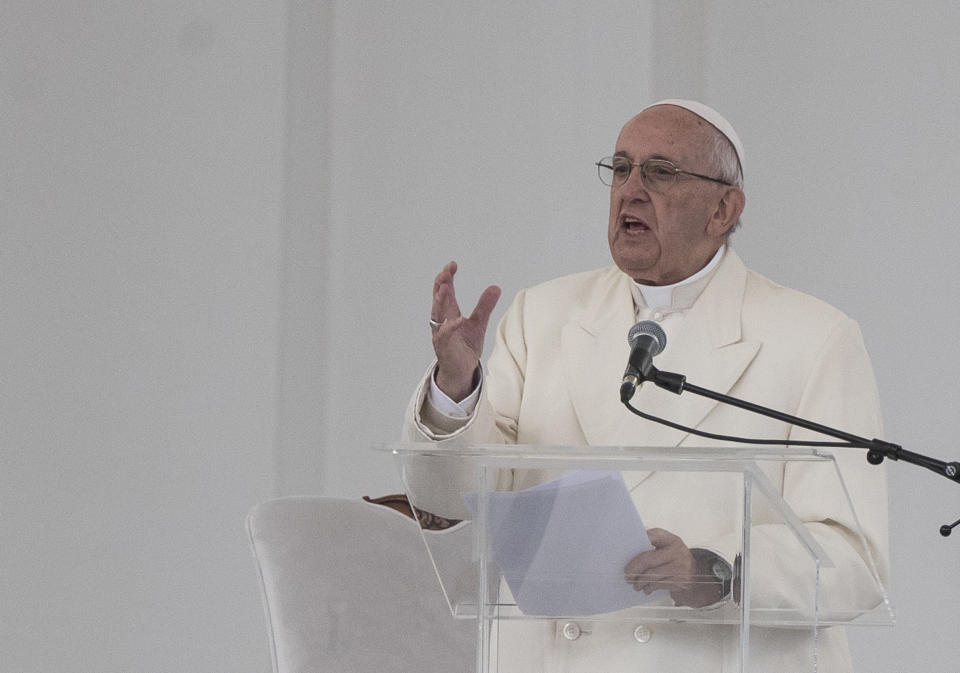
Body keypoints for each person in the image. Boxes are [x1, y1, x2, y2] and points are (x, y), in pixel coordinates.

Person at [401, 100, 889, 672]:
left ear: (723, 209)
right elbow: (450, 498)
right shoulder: (544, 315)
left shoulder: (814, 338)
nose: (631, 190)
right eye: (622, 168)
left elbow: (854, 563)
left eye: (660, 172)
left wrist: (710, 571)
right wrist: (455, 388)